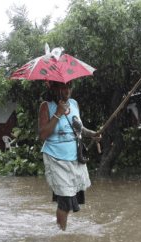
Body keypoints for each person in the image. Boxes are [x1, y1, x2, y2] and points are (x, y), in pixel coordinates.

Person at [38, 81, 101, 231]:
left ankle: (60, 227)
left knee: (71, 197)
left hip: (74, 156)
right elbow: (43, 135)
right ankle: (61, 236)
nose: (67, 91)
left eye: (69, 87)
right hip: (56, 158)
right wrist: (58, 113)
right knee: (65, 200)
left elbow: (78, 127)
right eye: (63, 88)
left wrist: (92, 134)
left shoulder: (74, 104)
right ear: (54, 89)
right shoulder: (46, 106)